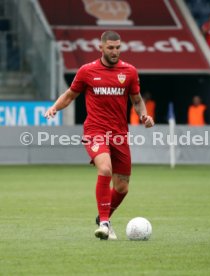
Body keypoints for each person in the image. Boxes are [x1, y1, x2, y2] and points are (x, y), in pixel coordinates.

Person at [45, 31, 154, 240]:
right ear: (101, 48)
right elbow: (70, 95)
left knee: (122, 186)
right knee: (105, 168)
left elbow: (137, 100)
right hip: (95, 130)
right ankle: (104, 224)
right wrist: (55, 108)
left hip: (120, 134)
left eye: (117, 47)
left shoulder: (129, 72)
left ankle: (104, 217)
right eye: (110, 47)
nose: (114, 51)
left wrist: (144, 116)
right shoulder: (87, 71)